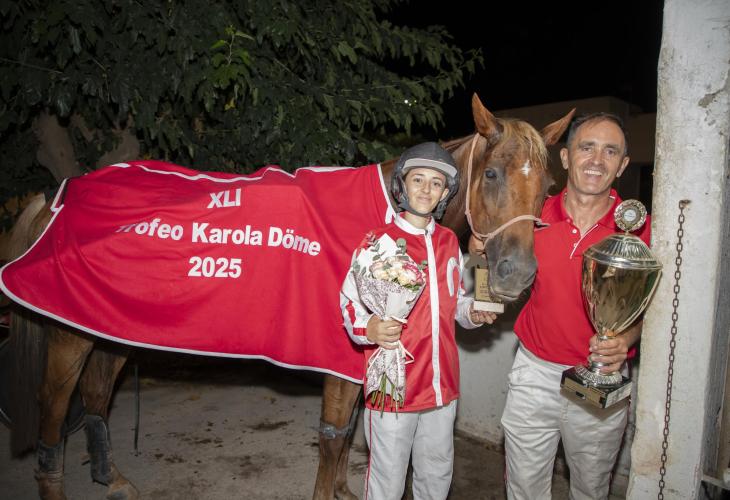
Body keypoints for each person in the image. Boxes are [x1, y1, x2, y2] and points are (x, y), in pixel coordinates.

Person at [501, 112, 651, 499]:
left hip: (601, 377)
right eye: (587, 147)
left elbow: (654, 306)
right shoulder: (531, 216)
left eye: (610, 151)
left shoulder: (639, 231)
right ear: (566, 158)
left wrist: (627, 337)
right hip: (534, 375)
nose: (597, 160)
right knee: (523, 488)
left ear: (622, 165)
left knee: (590, 488)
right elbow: (494, 256)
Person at [340, 142, 495, 500]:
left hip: (442, 386)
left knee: (437, 473)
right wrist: (369, 329)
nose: (427, 189)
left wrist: (473, 312)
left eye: (436, 183)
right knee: (388, 479)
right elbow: (348, 303)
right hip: (392, 386)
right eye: (418, 179)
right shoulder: (377, 242)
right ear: (402, 185)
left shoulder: (449, 242)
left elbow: (457, 304)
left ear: (445, 193)